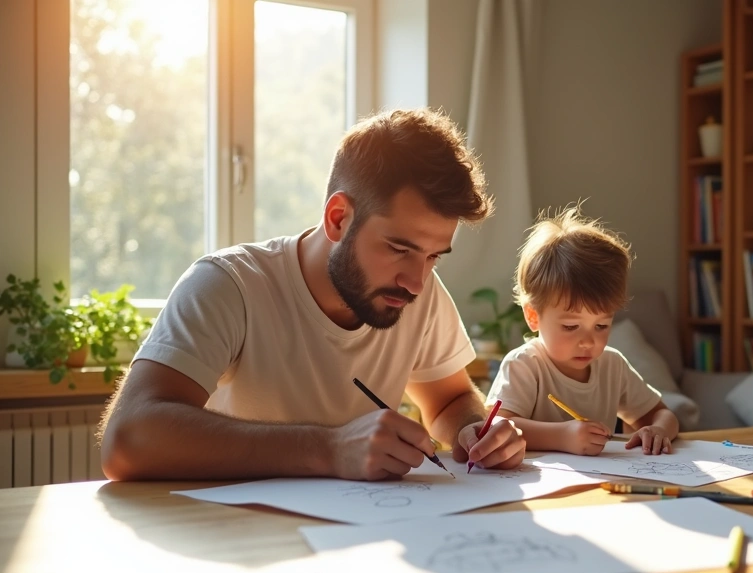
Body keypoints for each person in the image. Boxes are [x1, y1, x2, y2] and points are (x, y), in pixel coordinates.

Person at [99, 108, 525, 481]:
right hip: (238, 539)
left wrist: (474, 429)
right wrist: (328, 448)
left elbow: (448, 399)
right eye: (399, 249)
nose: (416, 281)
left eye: (434, 256)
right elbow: (128, 439)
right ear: (338, 218)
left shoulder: (417, 291)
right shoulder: (229, 285)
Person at [484, 207, 680, 456]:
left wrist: (657, 430)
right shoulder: (524, 365)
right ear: (533, 316)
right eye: (570, 326)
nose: (588, 341)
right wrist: (563, 436)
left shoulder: (612, 365)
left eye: (601, 326)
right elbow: (498, 427)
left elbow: (664, 415)